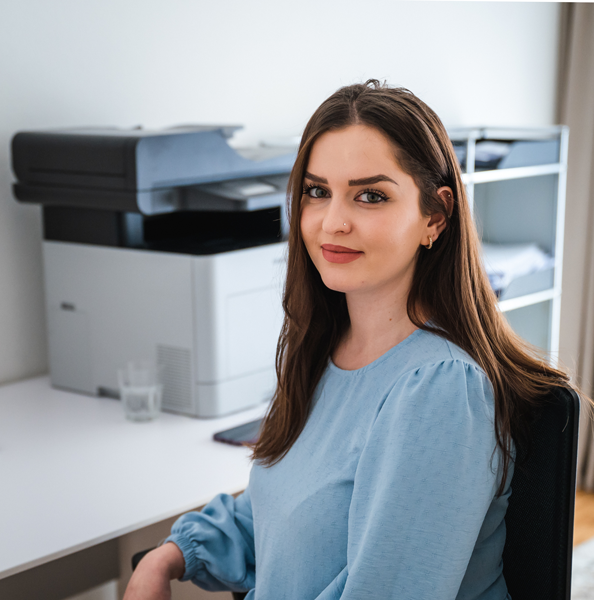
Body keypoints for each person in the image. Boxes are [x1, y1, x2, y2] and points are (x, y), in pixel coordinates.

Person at [124, 81, 573, 600]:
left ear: (436, 215)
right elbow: (281, 508)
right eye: (317, 192)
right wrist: (170, 556)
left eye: (370, 196)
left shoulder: (440, 389)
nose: (333, 222)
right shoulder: (325, 352)